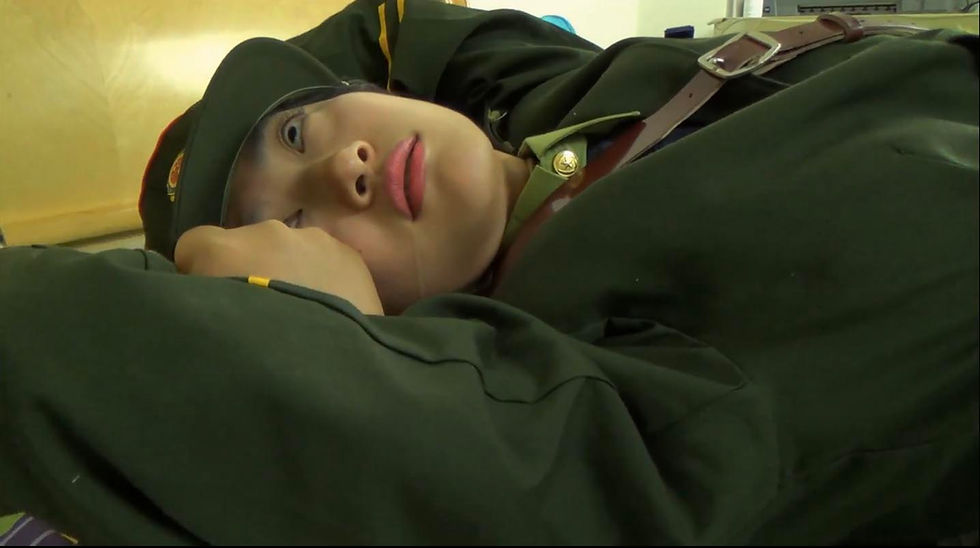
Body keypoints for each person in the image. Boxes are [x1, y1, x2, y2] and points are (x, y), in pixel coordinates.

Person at [1, 0, 977, 544]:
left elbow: (393, 25)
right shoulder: (599, 378)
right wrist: (315, 338)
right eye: (296, 223)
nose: (345, 167)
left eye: (296, 131)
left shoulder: (544, 98)